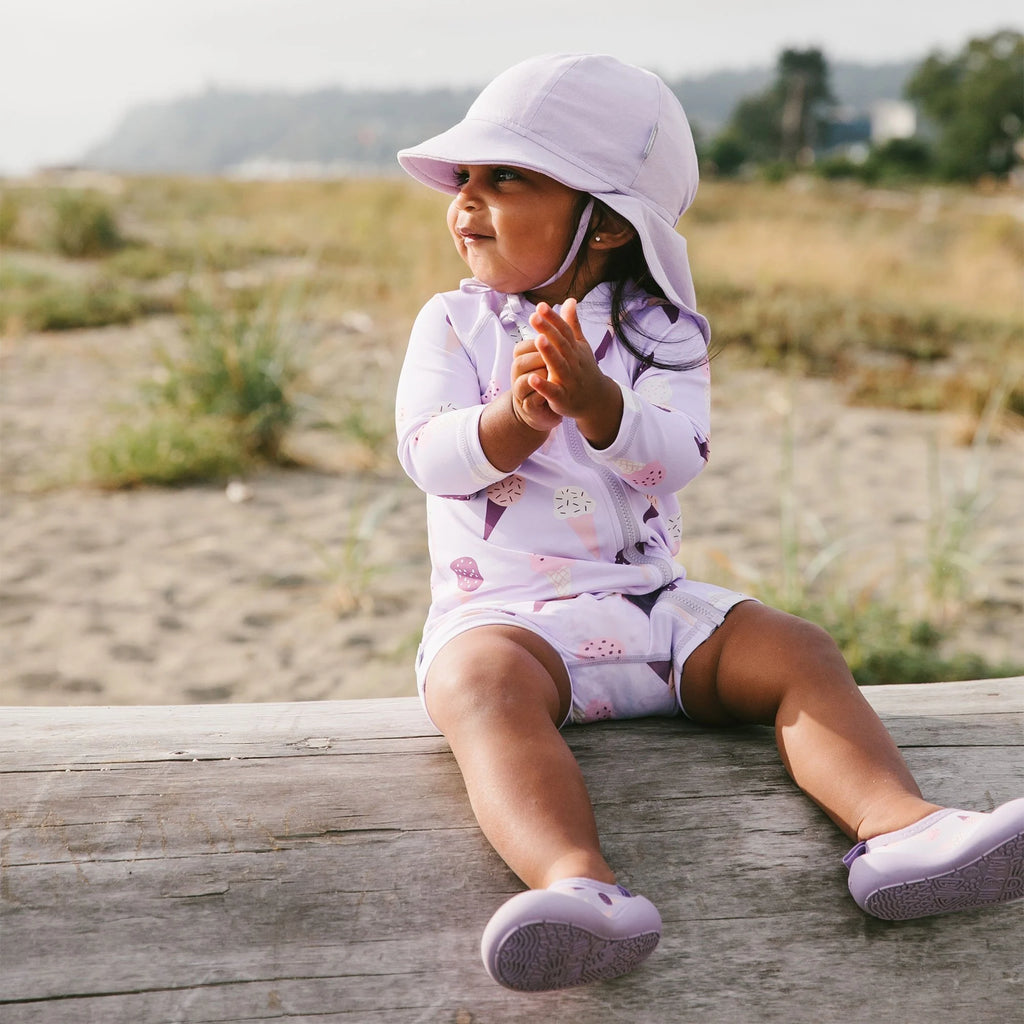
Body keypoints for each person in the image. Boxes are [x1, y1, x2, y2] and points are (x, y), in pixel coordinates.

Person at [394, 53, 1024, 993]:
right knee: (476, 689)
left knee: (797, 649)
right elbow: (428, 456)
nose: (466, 202)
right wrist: (514, 419)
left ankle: (900, 827)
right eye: (465, 180)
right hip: (514, 619)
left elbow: (675, 457)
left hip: (655, 612)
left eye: (507, 178)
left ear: (605, 223)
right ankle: (580, 886)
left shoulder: (662, 332)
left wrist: (601, 406)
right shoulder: (453, 326)